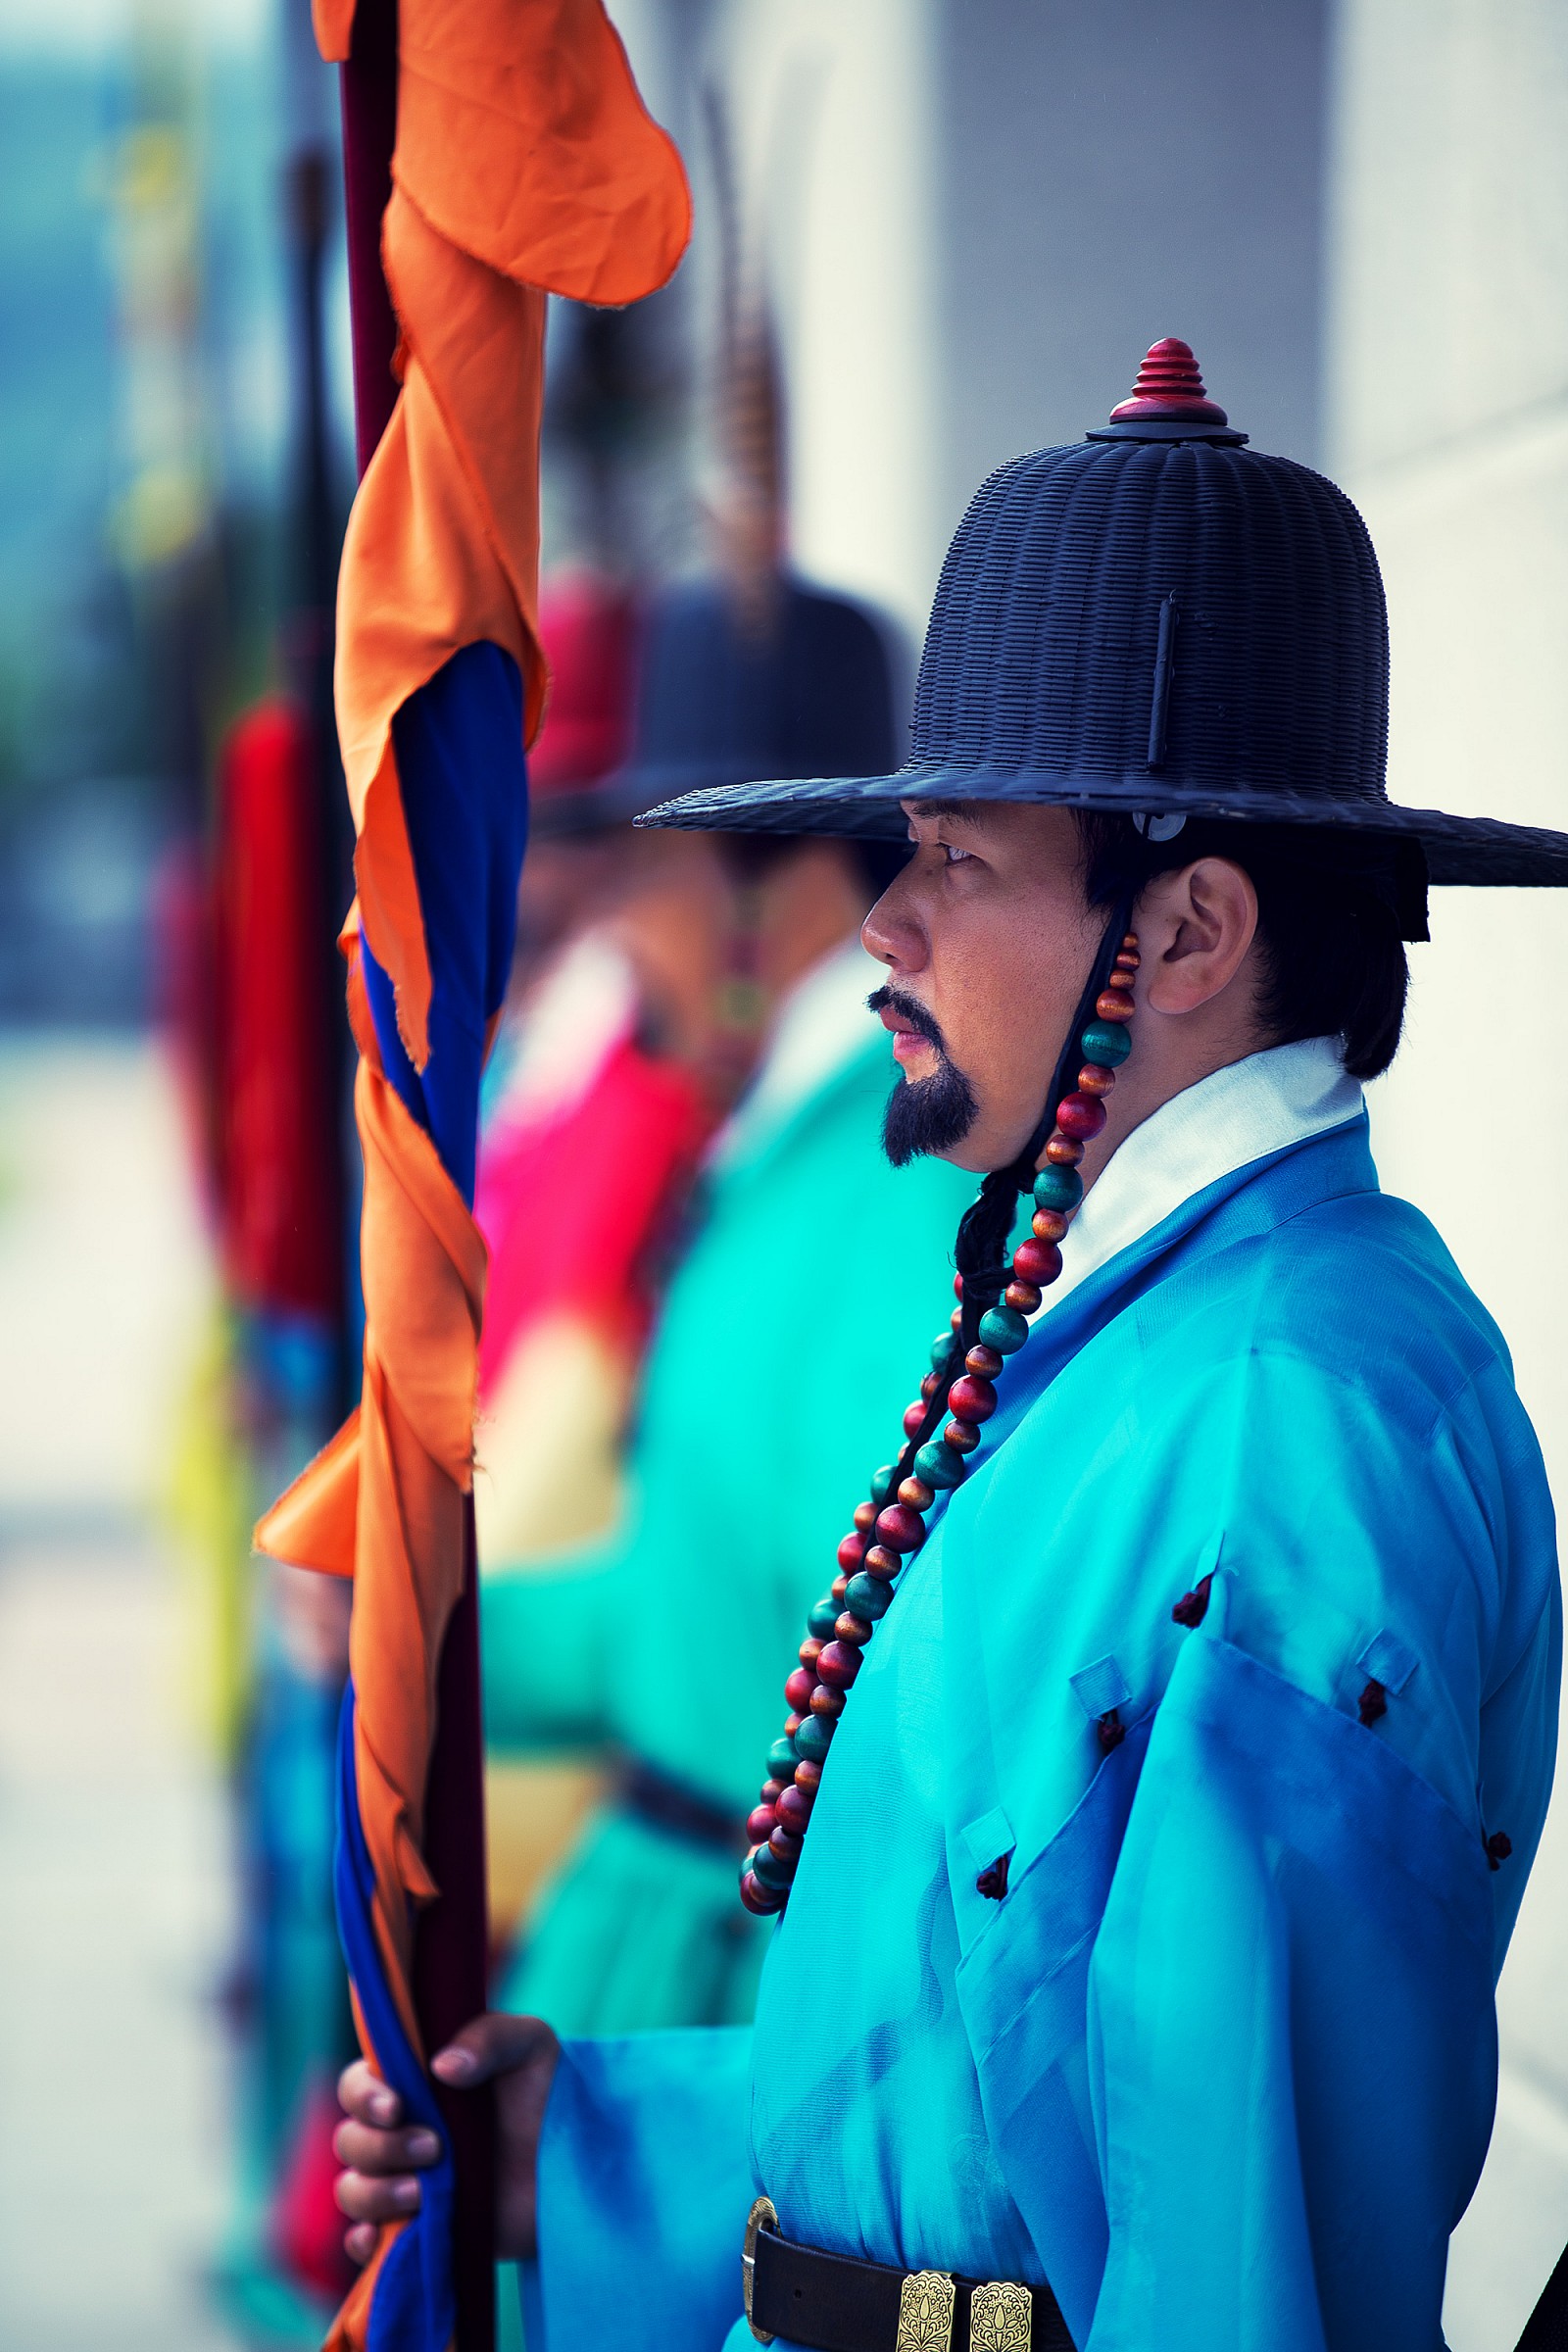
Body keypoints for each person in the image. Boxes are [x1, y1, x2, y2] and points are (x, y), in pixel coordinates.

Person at [333, 341, 1566, 2352]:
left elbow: (1226, 2263)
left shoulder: (1277, 1425)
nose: (884, 923)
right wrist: (583, 2137)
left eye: (958, 862)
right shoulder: (1131, 1343)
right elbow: (996, 2079)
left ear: (1184, 936)